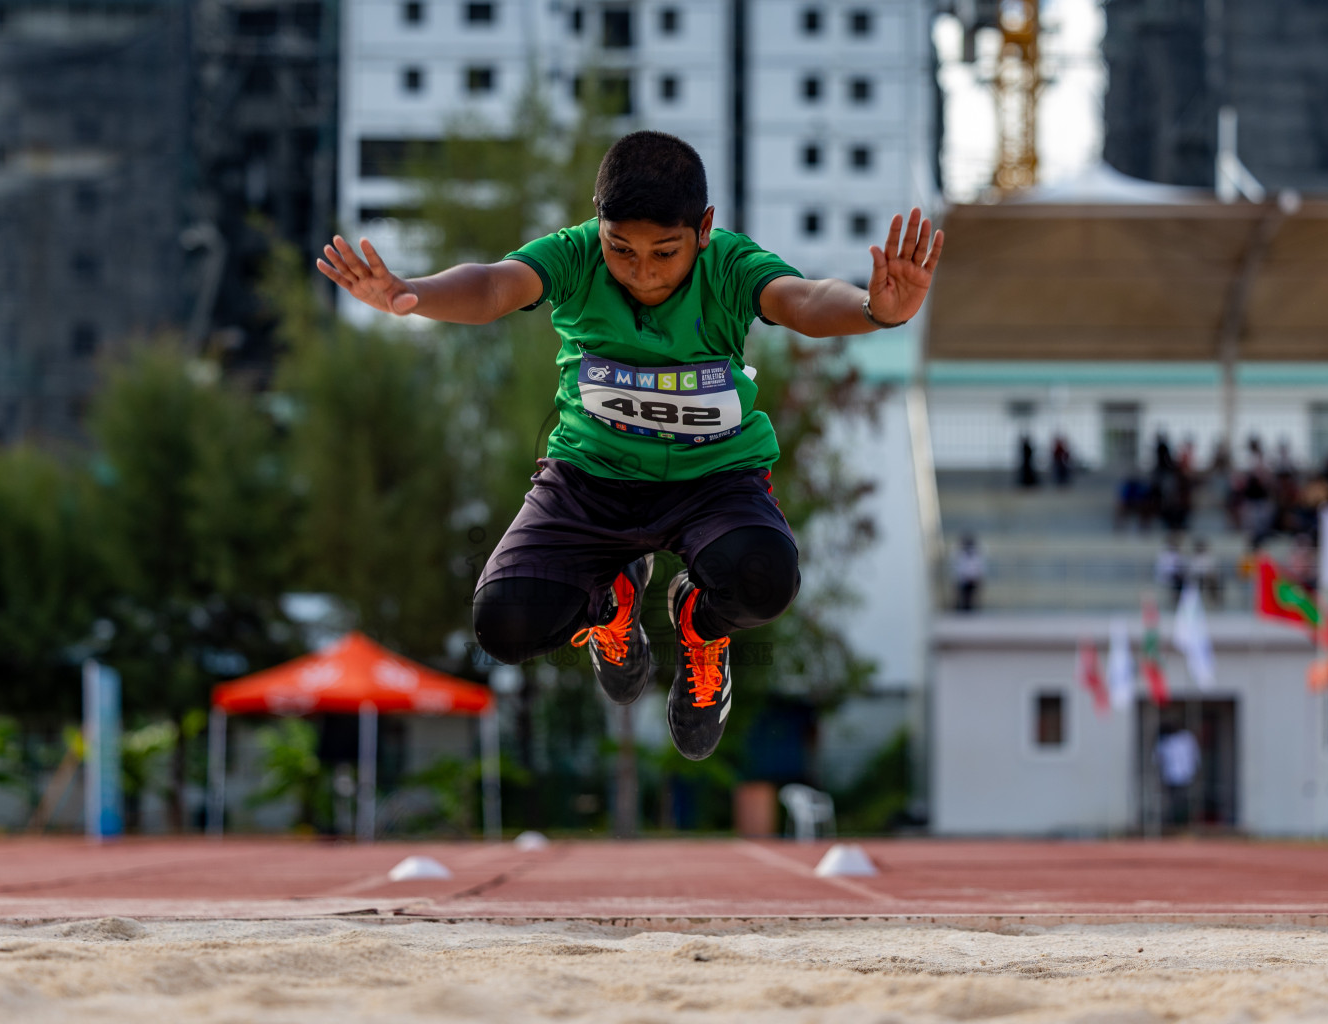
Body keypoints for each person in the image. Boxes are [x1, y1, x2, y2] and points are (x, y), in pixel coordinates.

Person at [316, 131, 942, 760]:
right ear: (599, 226)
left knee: (764, 579)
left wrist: (874, 310)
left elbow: (802, 300)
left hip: (713, 479)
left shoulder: (728, 265)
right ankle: (612, 606)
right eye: (622, 250)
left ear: (704, 228)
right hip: (590, 478)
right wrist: (412, 294)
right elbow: (491, 287)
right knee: (504, 624)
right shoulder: (574, 257)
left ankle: (699, 626)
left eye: (665, 252)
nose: (643, 273)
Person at [951, 534, 986, 612]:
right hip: (963, 580)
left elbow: (979, 568)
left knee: (972, 596)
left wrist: (977, 578)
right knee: (963, 596)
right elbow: (959, 568)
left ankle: (971, 609)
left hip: (972, 579)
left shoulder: (976, 554)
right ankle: (963, 609)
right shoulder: (960, 554)